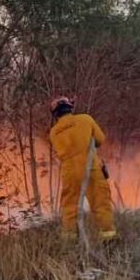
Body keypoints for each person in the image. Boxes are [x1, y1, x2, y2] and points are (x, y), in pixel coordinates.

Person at [48, 97, 117, 241]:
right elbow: (100, 139)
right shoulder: (86, 119)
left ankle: (70, 242)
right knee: (100, 204)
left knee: (70, 208)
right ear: (70, 108)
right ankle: (109, 239)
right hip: (90, 167)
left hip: (70, 173)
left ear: (55, 114)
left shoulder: (53, 132)